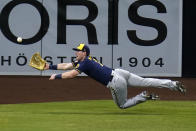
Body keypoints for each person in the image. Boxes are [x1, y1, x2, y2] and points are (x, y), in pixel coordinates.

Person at [44, 43, 186, 109]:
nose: (76, 52)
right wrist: (49, 67)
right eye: (76, 51)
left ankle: (144, 96)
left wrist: (56, 76)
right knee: (146, 80)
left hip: (116, 81)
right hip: (119, 72)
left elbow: (72, 74)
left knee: (122, 105)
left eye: (78, 51)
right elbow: (67, 66)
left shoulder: (85, 63)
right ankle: (173, 84)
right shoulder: (84, 61)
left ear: (84, 53)